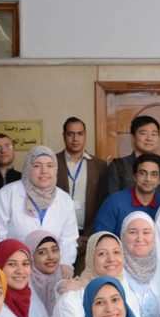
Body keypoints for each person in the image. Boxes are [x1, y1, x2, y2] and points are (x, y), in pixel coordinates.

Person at [0, 145, 80, 267]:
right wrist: (9, 265)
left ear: (56, 169)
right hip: (15, 269)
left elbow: (68, 240)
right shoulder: (7, 195)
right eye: (37, 165)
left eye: (50, 165)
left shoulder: (64, 199)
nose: (44, 171)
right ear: (28, 168)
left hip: (53, 269)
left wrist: (65, 265)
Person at [56, 117, 108, 273]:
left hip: (88, 237)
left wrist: (88, 237)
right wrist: (70, 239)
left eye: (79, 133)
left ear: (85, 136)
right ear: (63, 136)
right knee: (60, 279)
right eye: (70, 134)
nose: (75, 138)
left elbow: (102, 204)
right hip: (59, 235)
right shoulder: (52, 162)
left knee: (83, 279)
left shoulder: (99, 166)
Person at [119, 211, 160, 317]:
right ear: (123, 236)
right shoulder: (114, 269)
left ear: (154, 237)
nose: (140, 238)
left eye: (146, 232)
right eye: (132, 232)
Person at [92, 154, 160, 234]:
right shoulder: (113, 202)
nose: (148, 179)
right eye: (142, 173)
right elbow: (101, 236)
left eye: (154, 174)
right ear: (134, 177)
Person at [100, 115, 160, 199]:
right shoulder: (118, 166)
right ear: (133, 138)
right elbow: (111, 200)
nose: (149, 138)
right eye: (143, 133)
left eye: (154, 134)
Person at [25, 230, 67, 316]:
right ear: (31, 256)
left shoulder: (66, 279)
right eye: (42, 252)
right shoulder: (23, 284)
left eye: (54, 250)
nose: (51, 257)